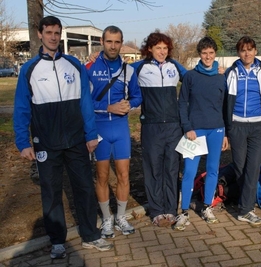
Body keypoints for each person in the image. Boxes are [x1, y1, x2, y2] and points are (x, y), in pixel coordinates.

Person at [13, 16, 113, 259]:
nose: (53, 37)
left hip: (77, 140)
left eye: (57, 32)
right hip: (46, 143)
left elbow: (86, 104)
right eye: (49, 32)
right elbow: (21, 108)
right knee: (51, 191)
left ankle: (91, 235)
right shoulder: (29, 69)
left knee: (84, 189)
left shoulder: (74, 65)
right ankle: (57, 241)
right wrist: (23, 142)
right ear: (40, 34)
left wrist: (91, 135)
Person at [85, 26, 142, 238]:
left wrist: (129, 104)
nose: (113, 46)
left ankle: (121, 217)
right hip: (99, 128)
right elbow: (84, 101)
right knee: (101, 176)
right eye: (109, 41)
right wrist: (107, 108)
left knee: (124, 175)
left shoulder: (128, 70)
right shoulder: (89, 66)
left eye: (117, 42)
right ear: (102, 41)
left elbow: (137, 96)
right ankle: (107, 218)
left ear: (121, 42)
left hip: (120, 129)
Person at [131, 31, 187, 227]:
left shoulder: (174, 66)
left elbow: (194, 79)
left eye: (165, 48)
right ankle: (156, 211)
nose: (162, 52)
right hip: (151, 126)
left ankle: (171, 210)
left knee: (172, 168)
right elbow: (116, 71)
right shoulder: (139, 67)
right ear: (150, 49)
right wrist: (95, 60)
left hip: (173, 126)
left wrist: (216, 70)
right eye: (158, 48)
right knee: (154, 169)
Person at [173, 37, 228, 230]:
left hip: (217, 129)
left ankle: (207, 207)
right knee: (189, 171)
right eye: (204, 53)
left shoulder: (222, 77)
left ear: (215, 54)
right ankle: (184, 211)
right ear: (200, 54)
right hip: (194, 132)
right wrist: (187, 127)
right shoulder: (190, 77)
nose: (208, 56)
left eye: (211, 53)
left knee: (213, 169)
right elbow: (182, 103)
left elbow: (225, 106)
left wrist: (226, 132)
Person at [225, 36, 261, 225]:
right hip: (237, 125)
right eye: (243, 50)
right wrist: (227, 129)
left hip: (257, 126)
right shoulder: (230, 72)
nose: (247, 53)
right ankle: (245, 203)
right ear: (238, 52)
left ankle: (246, 209)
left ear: (255, 51)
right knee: (240, 167)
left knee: (253, 169)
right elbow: (224, 102)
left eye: (250, 49)